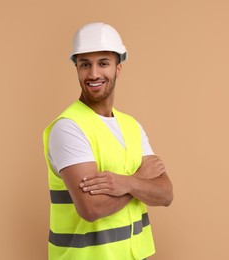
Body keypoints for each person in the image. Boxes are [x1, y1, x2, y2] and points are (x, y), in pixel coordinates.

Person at [43, 22, 173, 260]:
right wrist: (141, 178)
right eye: (85, 64)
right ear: (77, 69)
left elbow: (165, 194)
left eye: (103, 63)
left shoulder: (131, 126)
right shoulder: (69, 128)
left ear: (118, 68)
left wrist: (128, 183)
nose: (93, 74)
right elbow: (92, 208)